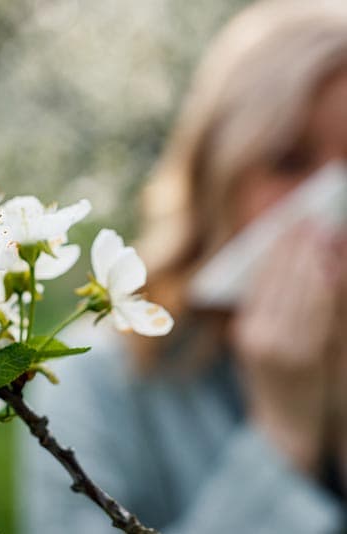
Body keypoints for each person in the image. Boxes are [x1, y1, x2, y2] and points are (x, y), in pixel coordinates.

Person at [19, 1, 347, 532]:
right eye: (290, 161)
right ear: (216, 178)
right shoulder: (96, 384)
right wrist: (282, 435)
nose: (333, 200)